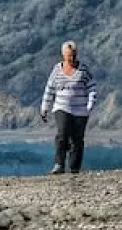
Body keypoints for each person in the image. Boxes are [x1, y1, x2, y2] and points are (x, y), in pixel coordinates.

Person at [39, 40, 97, 174]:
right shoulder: (57, 70)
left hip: (81, 110)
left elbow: (92, 87)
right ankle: (59, 164)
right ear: (63, 55)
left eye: (74, 55)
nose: (72, 58)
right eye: (69, 55)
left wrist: (90, 103)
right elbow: (50, 88)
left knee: (77, 139)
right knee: (62, 134)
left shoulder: (83, 70)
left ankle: (74, 167)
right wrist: (44, 107)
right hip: (61, 107)